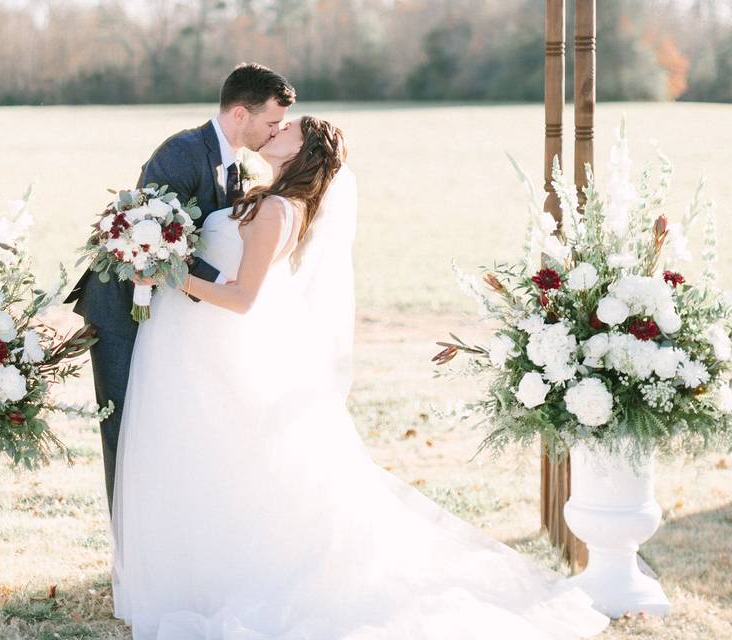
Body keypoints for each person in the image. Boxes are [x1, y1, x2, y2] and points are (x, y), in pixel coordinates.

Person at [109, 115, 611, 640]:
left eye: (287, 131)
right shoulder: (267, 197)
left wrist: (170, 273)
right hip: (206, 356)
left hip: (221, 350)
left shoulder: (280, 211)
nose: (274, 131)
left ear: (301, 152)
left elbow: (242, 298)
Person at [64, 63, 295, 512]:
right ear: (240, 115)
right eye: (271, 123)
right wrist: (217, 284)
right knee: (125, 429)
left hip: (170, 314)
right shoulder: (183, 152)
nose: (274, 133)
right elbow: (148, 240)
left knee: (163, 429)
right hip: (122, 308)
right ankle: (127, 552)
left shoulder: (236, 167)